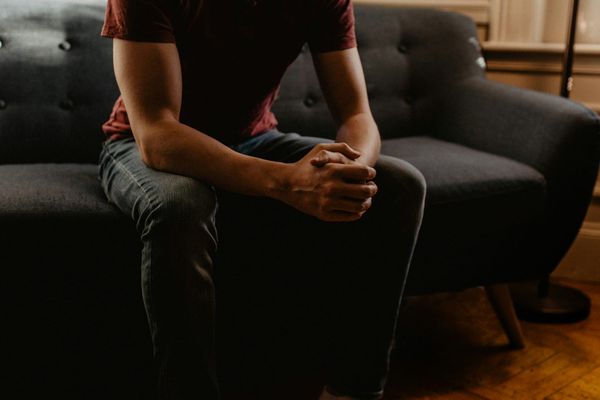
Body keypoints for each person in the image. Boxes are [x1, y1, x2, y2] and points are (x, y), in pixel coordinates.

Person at [99, 0, 426, 399]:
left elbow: (358, 115)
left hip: (256, 139)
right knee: (181, 206)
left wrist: (349, 172)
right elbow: (157, 135)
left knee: (400, 185)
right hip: (141, 143)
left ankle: (353, 390)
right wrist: (289, 183)